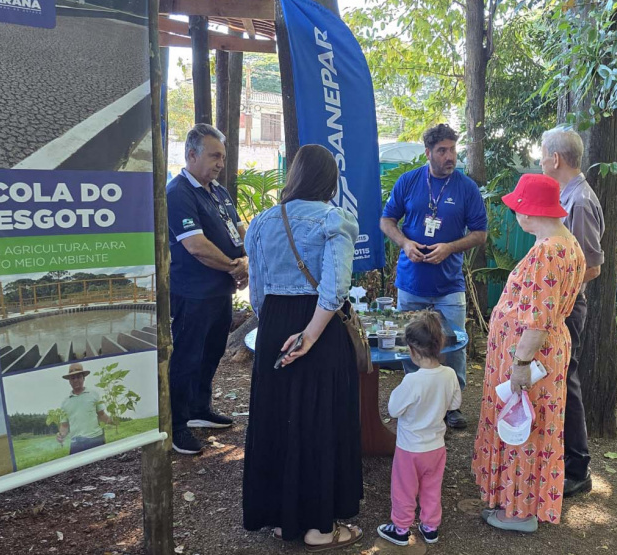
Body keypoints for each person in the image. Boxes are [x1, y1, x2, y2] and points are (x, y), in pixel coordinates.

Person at [242, 145, 363, 552]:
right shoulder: (334, 220)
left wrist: (277, 324)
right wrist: (309, 334)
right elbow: (335, 288)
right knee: (318, 419)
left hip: (275, 322)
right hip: (319, 327)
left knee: (279, 416)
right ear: (329, 181)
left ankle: (283, 518)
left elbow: (256, 292)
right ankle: (319, 528)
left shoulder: (260, 223)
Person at [472, 174, 585, 531]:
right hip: (544, 352)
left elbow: (537, 320)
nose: (515, 214)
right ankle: (519, 503)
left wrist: (519, 365)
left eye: (517, 208)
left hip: (532, 357)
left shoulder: (547, 252)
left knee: (522, 427)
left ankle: (518, 512)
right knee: (532, 426)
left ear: (527, 212)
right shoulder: (568, 243)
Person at [380, 123, 487, 429]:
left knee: (452, 347)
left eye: (453, 149)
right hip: (411, 282)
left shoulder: (466, 188)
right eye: (442, 150)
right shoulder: (409, 181)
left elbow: (480, 233)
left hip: (449, 285)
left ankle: (452, 405)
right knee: (409, 343)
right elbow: (387, 221)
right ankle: (416, 396)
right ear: (428, 153)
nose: (449, 155)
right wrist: (405, 243)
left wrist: (450, 247)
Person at [166, 123, 250, 456]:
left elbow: (239, 230)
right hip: (192, 292)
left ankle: (200, 409)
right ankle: (176, 425)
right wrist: (234, 266)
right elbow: (197, 246)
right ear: (191, 154)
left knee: (212, 352)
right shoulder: (178, 194)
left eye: (222, 157)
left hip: (220, 291)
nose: (219, 163)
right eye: (214, 156)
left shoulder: (218, 191)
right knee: (187, 357)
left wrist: (244, 259)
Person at [539, 127, 605, 497]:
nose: (540, 160)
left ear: (556, 159)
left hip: (567, 305)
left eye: (542, 154)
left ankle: (578, 468)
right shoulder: (569, 194)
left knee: (567, 380)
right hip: (561, 303)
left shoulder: (578, 200)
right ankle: (564, 460)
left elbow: (590, 265)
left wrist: (558, 298)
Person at [377, 311, 462, 546]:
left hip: (409, 448)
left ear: (413, 351)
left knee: (404, 489)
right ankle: (430, 526)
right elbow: (455, 404)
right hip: (436, 447)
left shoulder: (412, 381)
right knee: (432, 487)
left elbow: (393, 409)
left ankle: (401, 528)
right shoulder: (450, 375)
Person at [57, 363, 112, 454]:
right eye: (73, 378)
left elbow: (101, 415)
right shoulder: (65, 403)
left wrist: (114, 422)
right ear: (69, 381)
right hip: (76, 443)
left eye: (78, 377)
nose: (76, 380)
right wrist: (61, 435)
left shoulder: (93, 394)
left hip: (96, 439)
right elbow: (64, 425)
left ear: (83, 378)